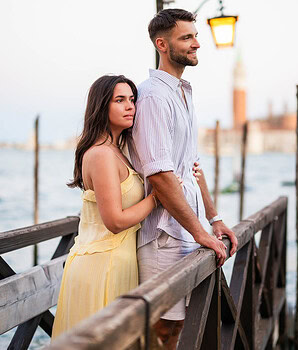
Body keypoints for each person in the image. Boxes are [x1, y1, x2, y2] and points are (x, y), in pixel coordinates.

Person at [127, 8, 238, 350]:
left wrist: (214, 219)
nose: (197, 44)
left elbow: (191, 165)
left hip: (187, 229)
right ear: (162, 44)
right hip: (163, 234)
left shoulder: (183, 92)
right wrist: (201, 232)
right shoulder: (153, 97)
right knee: (162, 334)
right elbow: (160, 177)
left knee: (180, 330)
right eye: (187, 37)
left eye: (196, 36)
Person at [52, 75, 161, 338]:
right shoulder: (101, 153)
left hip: (116, 261)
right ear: (102, 106)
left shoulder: (117, 149)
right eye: (120, 100)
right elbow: (114, 221)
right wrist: (157, 198)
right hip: (102, 265)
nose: (130, 106)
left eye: (132, 100)